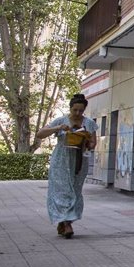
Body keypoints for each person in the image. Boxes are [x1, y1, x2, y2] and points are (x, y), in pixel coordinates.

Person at [36, 93, 98, 239]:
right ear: (70, 108)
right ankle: (66, 224)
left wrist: (88, 140)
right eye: (75, 110)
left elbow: (93, 144)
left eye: (80, 111)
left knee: (75, 191)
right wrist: (58, 128)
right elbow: (40, 134)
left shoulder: (89, 123)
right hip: (61, 160)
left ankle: (65, 222)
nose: (77, 113)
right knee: (62, 191)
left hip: (79, 161)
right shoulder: (61, 121)